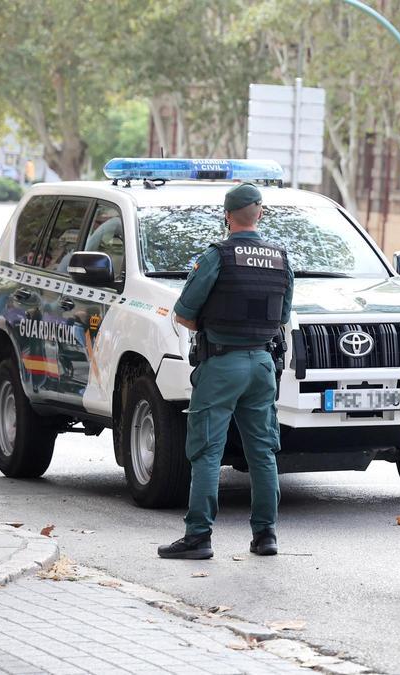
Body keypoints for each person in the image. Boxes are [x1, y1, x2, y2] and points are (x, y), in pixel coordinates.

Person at [158, 183, 294, 560]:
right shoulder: (281, 258)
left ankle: (198, 537)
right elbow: (282, 317)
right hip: (262, 365)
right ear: (260, 214)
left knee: (207, 452)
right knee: (263, 453)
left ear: (227, 216)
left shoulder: (217, 255)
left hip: (221, 364)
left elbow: (184, 312)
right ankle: (265, 536)